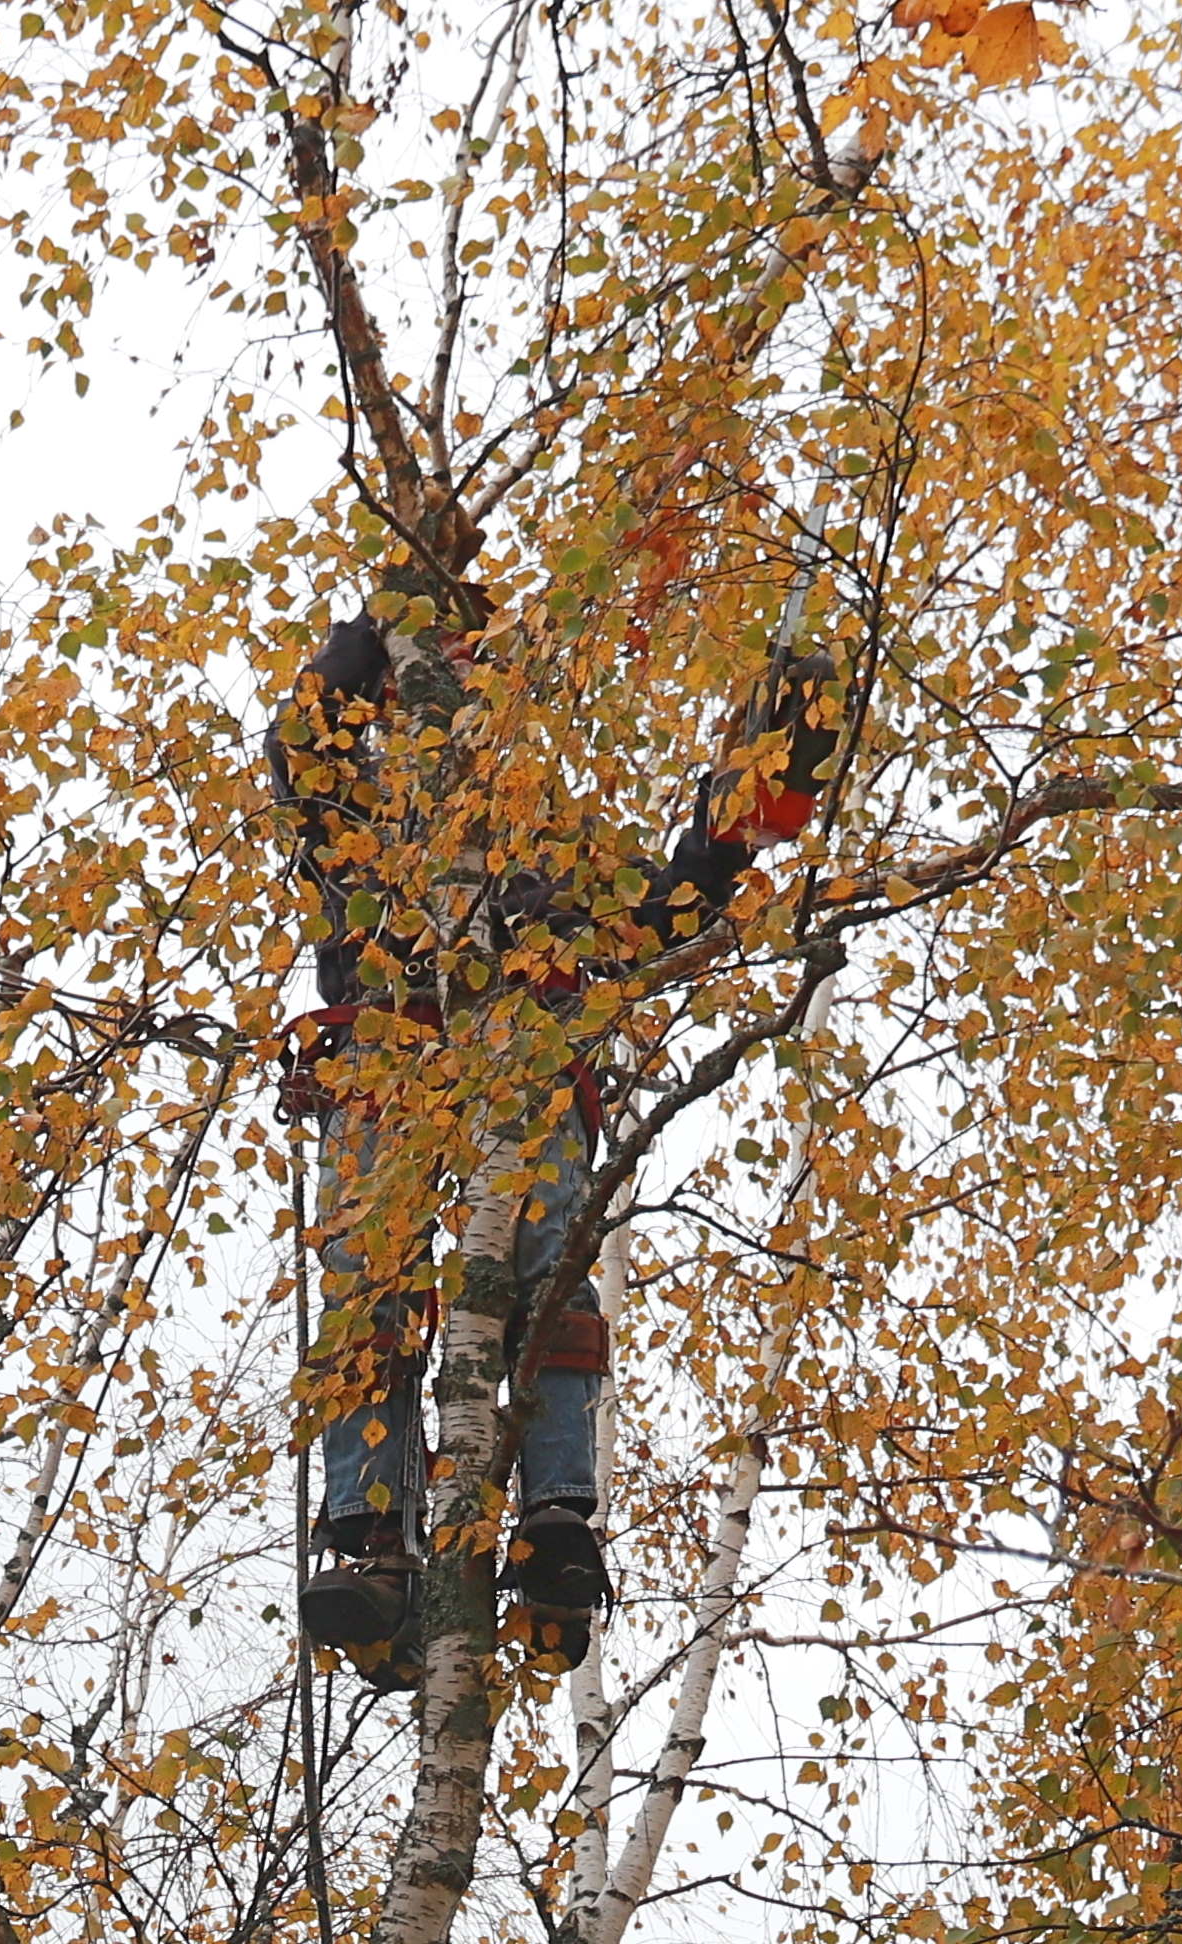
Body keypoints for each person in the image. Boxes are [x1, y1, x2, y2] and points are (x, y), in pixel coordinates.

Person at [266, 587, 839, 1690]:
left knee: (547, 1275)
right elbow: (304, 738)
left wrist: (765, 773)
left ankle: (555, 1522)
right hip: (383, 1058)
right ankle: (371, 1534)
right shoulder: (361, 828)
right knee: (366, 1281)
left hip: (522, 1061)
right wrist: (386, 613)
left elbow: (666, 909)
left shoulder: (545, 843)